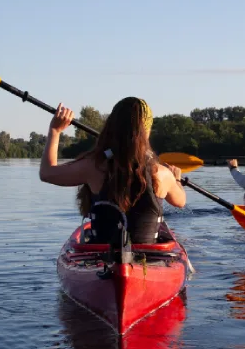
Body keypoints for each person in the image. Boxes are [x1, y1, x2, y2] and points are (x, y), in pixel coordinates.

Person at [39, 97, 186, 245]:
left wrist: (55, 130)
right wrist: (176, 179)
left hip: (102, 258)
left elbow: (47, 173)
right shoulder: (162, 174)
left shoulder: (93, 166)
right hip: (149, 259)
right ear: (147, 131)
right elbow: (181, 202)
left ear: (112, 126)